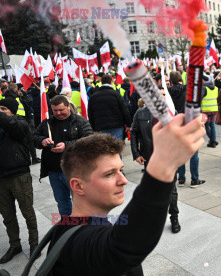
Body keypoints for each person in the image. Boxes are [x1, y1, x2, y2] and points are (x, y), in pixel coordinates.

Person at [48, 113, 205, 275]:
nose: (123, 180)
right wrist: (164, 165)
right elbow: (122, 249)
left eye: (121, 170)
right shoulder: (78, 243)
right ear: (78, 186)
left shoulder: (69, 227)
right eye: (109, 174)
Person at [33, 95, 93, 216]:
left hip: (74, 169)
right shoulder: (48, 122)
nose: (58, 113)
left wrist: (66, 146)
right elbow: (34, 137)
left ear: (68, 107)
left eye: (61, 110)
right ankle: (67, 226)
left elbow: (89, 140)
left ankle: (85, 227)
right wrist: (42, 141)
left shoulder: (80, 121)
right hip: (54, 170)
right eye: (55, 110)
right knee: (62, 201)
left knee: (81, 200)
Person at [130, 94, 180, 233]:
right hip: (150, 158)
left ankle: (174, 217)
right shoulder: (141, 113)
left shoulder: (172, 112)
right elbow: (133, 132)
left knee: (171, 190)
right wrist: (136, 153)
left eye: (164, 94)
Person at [0, 97, 38, 263]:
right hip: (1, 178)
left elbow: (12, 126)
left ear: (12, 111)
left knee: (27, 212)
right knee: (7, 216)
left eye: (3, 109)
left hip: (19, 175)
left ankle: (34, 244)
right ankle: (15, 245)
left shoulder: (20, 123)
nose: (1, 111)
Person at [88, 74, 131, 141]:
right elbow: (124, 110)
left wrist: (94, 128)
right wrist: (128, 124)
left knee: (105, 149)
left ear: (101, 82)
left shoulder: (93, 97)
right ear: (111, 82)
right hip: (117, 126)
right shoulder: (116, 94)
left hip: (100, 127)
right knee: (116, 148)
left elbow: (90, 113)